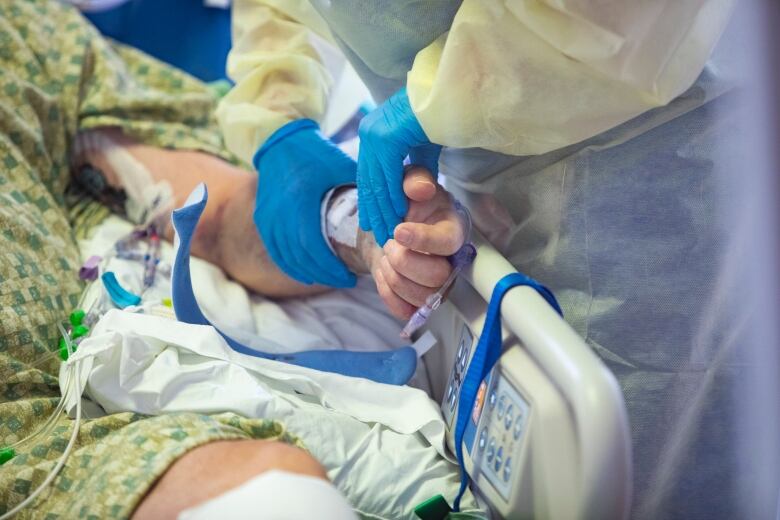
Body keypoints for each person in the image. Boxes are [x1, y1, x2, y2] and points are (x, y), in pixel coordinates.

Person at [218, 1, 749, 518]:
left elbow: (619, 18)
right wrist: (277, 119)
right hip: (479, 170)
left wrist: (442, 98)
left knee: (654, 464)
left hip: (657, 176)